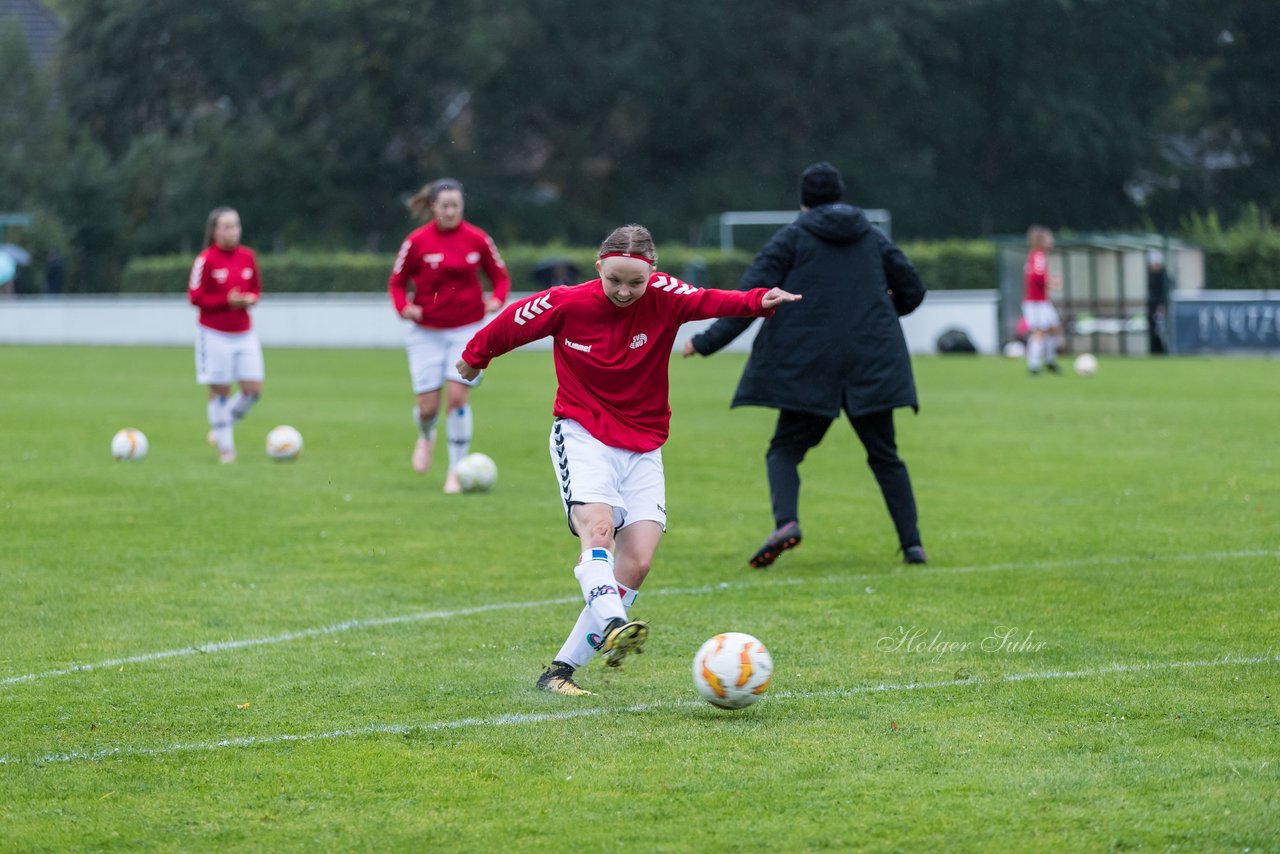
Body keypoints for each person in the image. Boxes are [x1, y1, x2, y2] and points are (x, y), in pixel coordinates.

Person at [456, 224, 801, 695]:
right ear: (599, 267)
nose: (623, 291)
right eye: (614, 279)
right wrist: (474, 357)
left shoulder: (665, 295)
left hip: (643, 446)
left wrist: (758, 300)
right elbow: (513, 323)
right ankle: (615, 622)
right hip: (582, 433)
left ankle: (557, 673)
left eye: (634, 283)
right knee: (596, 530)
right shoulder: (567, 302)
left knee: (636, 562)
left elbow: (710, 300)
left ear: (652, 275)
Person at [683, 161, 928, 567]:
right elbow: (913, 290)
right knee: (885, 454)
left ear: (803, 201)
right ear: (840, 195)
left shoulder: (792, 238)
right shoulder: (872, 236)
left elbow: (750, 298)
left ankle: (787, 522)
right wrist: (878, 313)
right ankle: (913, 545)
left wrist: (705, 342)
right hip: (872, 359)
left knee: (784, 450)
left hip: (809, 362)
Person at [388, 178, 511, 492]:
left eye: (456, 205)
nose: (451, 211)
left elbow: (499, 276)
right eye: (445, 206)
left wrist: (497, 299)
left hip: (467, 330)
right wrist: (404, 308)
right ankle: (426, 435)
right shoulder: (416, 242)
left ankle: (456, 471)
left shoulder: (478, 239)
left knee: (456, 398)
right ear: (433, 207)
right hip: (425, 333)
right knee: (428, 407)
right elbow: (397, 282)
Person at [188, 207, 263, 464]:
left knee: (253, 390)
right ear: (215, 231)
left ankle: (219, 427)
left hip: (244, 332)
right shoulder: (205, 260)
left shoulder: (248, 257)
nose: (234, 231)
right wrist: (226, 302)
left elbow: (256, 290)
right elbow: (195, 297)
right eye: (227, 226)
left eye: (236, 225)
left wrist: (249, 299)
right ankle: (226, 450)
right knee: (220, 390)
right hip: (214, 333)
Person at [1022, 225, 1062, 374]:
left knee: (1053, 328)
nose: (1051, 241)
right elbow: (1036, 277)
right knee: (1039, 332)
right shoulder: (1038, 255)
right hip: (1035, 302)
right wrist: (1052, 282)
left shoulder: (1037, 255)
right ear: (1041, 241)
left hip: (1042, 301)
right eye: (1048, 238)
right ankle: (1034, 365)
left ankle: (1050, 361)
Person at [1146, 249, 1168, 355]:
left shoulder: (1163, 277)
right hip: (1151, 309)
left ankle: (1161, 351)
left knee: (1160, 332)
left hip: (1160, 310)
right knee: (1153, 332)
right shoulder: (1149, 276)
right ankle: (1154, 352)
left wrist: (1162, 305)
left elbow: (1164, 293)